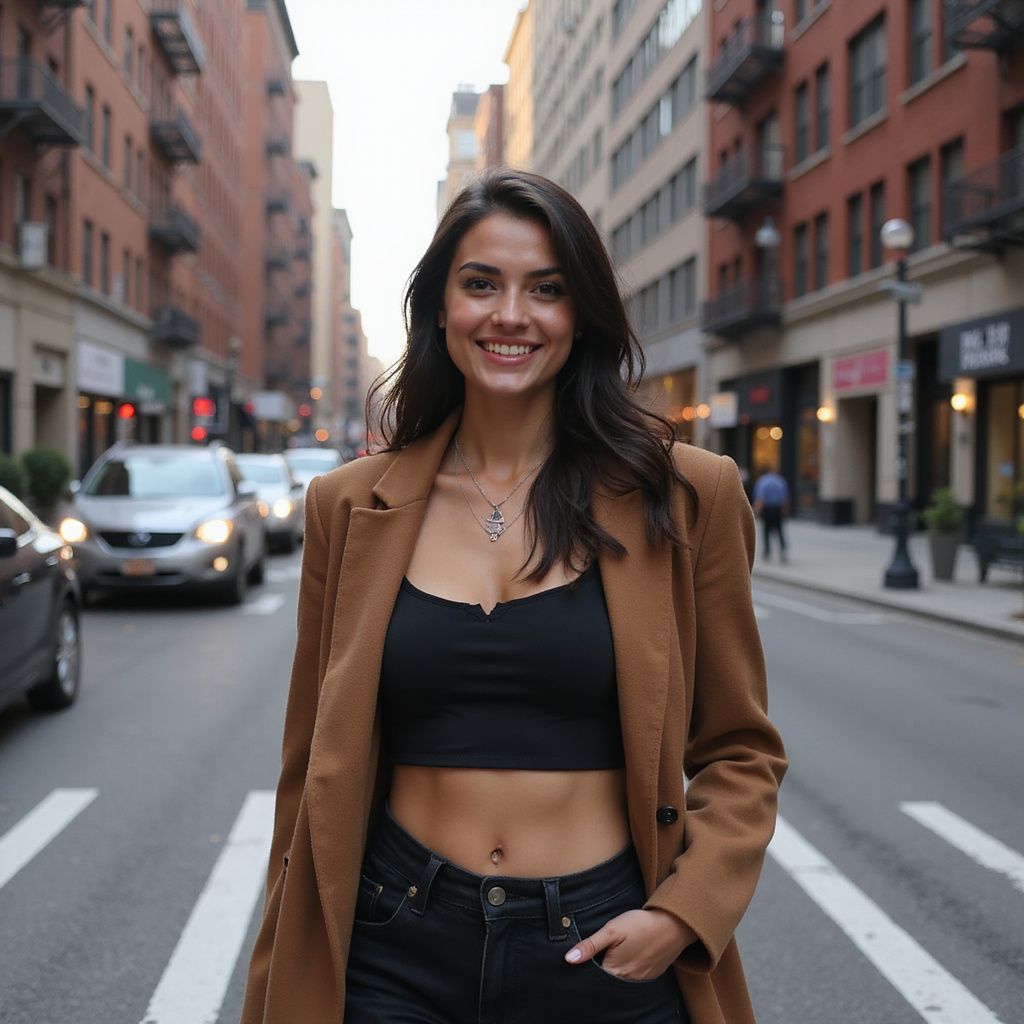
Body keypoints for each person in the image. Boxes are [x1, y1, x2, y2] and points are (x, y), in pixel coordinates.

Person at [240, 170, 787, 1024]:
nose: (511, 314)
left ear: (582, 314)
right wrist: (284, 955)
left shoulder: (687, 495)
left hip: (606, 944)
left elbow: (741, 749)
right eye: (481, 284)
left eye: (547, 289)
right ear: (440, 308)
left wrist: (684, 913)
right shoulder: (347, 506)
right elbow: (307, 763)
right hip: (394, 938)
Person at [752, 464, 790, 562]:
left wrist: (756, 512)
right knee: (779, 530)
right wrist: (785, 510)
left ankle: (767, 551)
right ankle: (783, 550)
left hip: (767, 509)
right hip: (777, 509)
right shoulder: (780, 481)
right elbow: (785, 498)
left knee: (766, 531)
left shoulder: (762, 482)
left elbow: (760, 499)